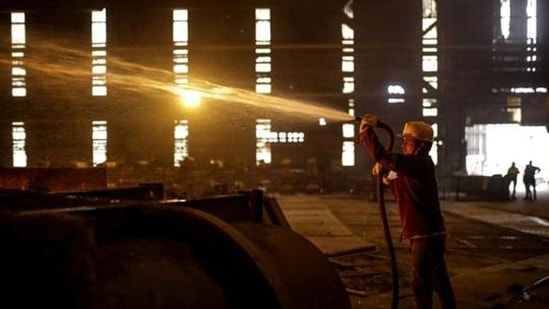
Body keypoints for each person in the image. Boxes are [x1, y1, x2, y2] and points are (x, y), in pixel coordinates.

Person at [358, 115, 456, 309]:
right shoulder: (412, 168)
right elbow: (401, 192)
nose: (403, 145)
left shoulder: (420, 163)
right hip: (427, 235)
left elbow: (382, 156)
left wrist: (366, 132)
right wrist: (386, 177)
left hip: (425, 237)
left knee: (421, 286)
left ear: (419, 145)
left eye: (407, 141)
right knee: (439, 282)